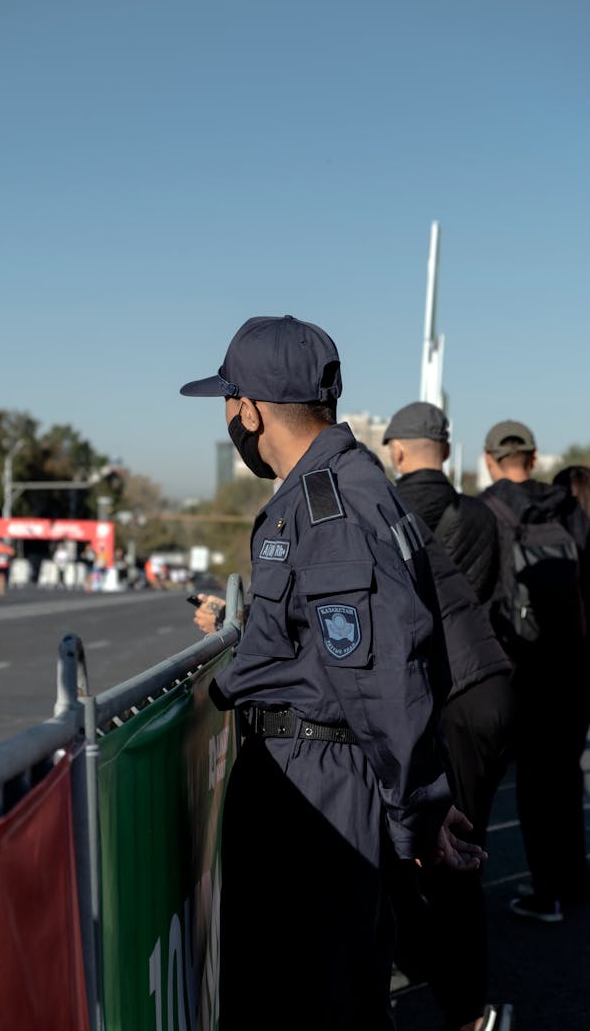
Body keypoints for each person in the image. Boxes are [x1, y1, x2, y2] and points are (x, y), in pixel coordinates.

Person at [180, 314, 485, 1031]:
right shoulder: (339, 488)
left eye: (227, 403)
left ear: (248, 409)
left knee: (310, 998)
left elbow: (383, 677)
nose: (228, 419)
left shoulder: (333, 503)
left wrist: (418, 816)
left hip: (316, 789)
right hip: (317, 771)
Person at [383, 402, 514, 1031]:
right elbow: (480, 600)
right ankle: (458, 991)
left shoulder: (385, 509)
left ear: (398, 451)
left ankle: (468, 1011)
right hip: (488, 684)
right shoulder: (480, 516)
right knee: (464, 850)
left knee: (442, 859)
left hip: (449, 697)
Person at [480, 421, 590, 922]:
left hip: (520, 664)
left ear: (488, 459)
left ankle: (544, 894)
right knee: (565, 777)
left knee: (527, 785)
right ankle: (571, 882)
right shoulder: (566, 505)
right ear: (535, 456)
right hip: (573, 662)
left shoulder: (487, 510)